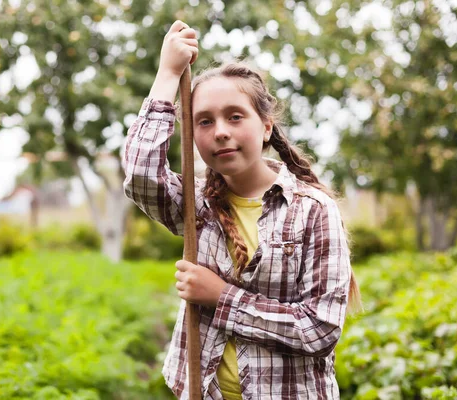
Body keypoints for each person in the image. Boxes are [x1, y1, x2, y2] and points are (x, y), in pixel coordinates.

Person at [122, 20, 361, 400]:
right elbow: (139, 175)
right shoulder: (195, 204)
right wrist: (167, 75)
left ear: (266, 127)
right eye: (204, 121)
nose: (220, 131)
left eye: (235, 116)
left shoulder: (314, 211)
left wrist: (220, 296)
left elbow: (319, 330)